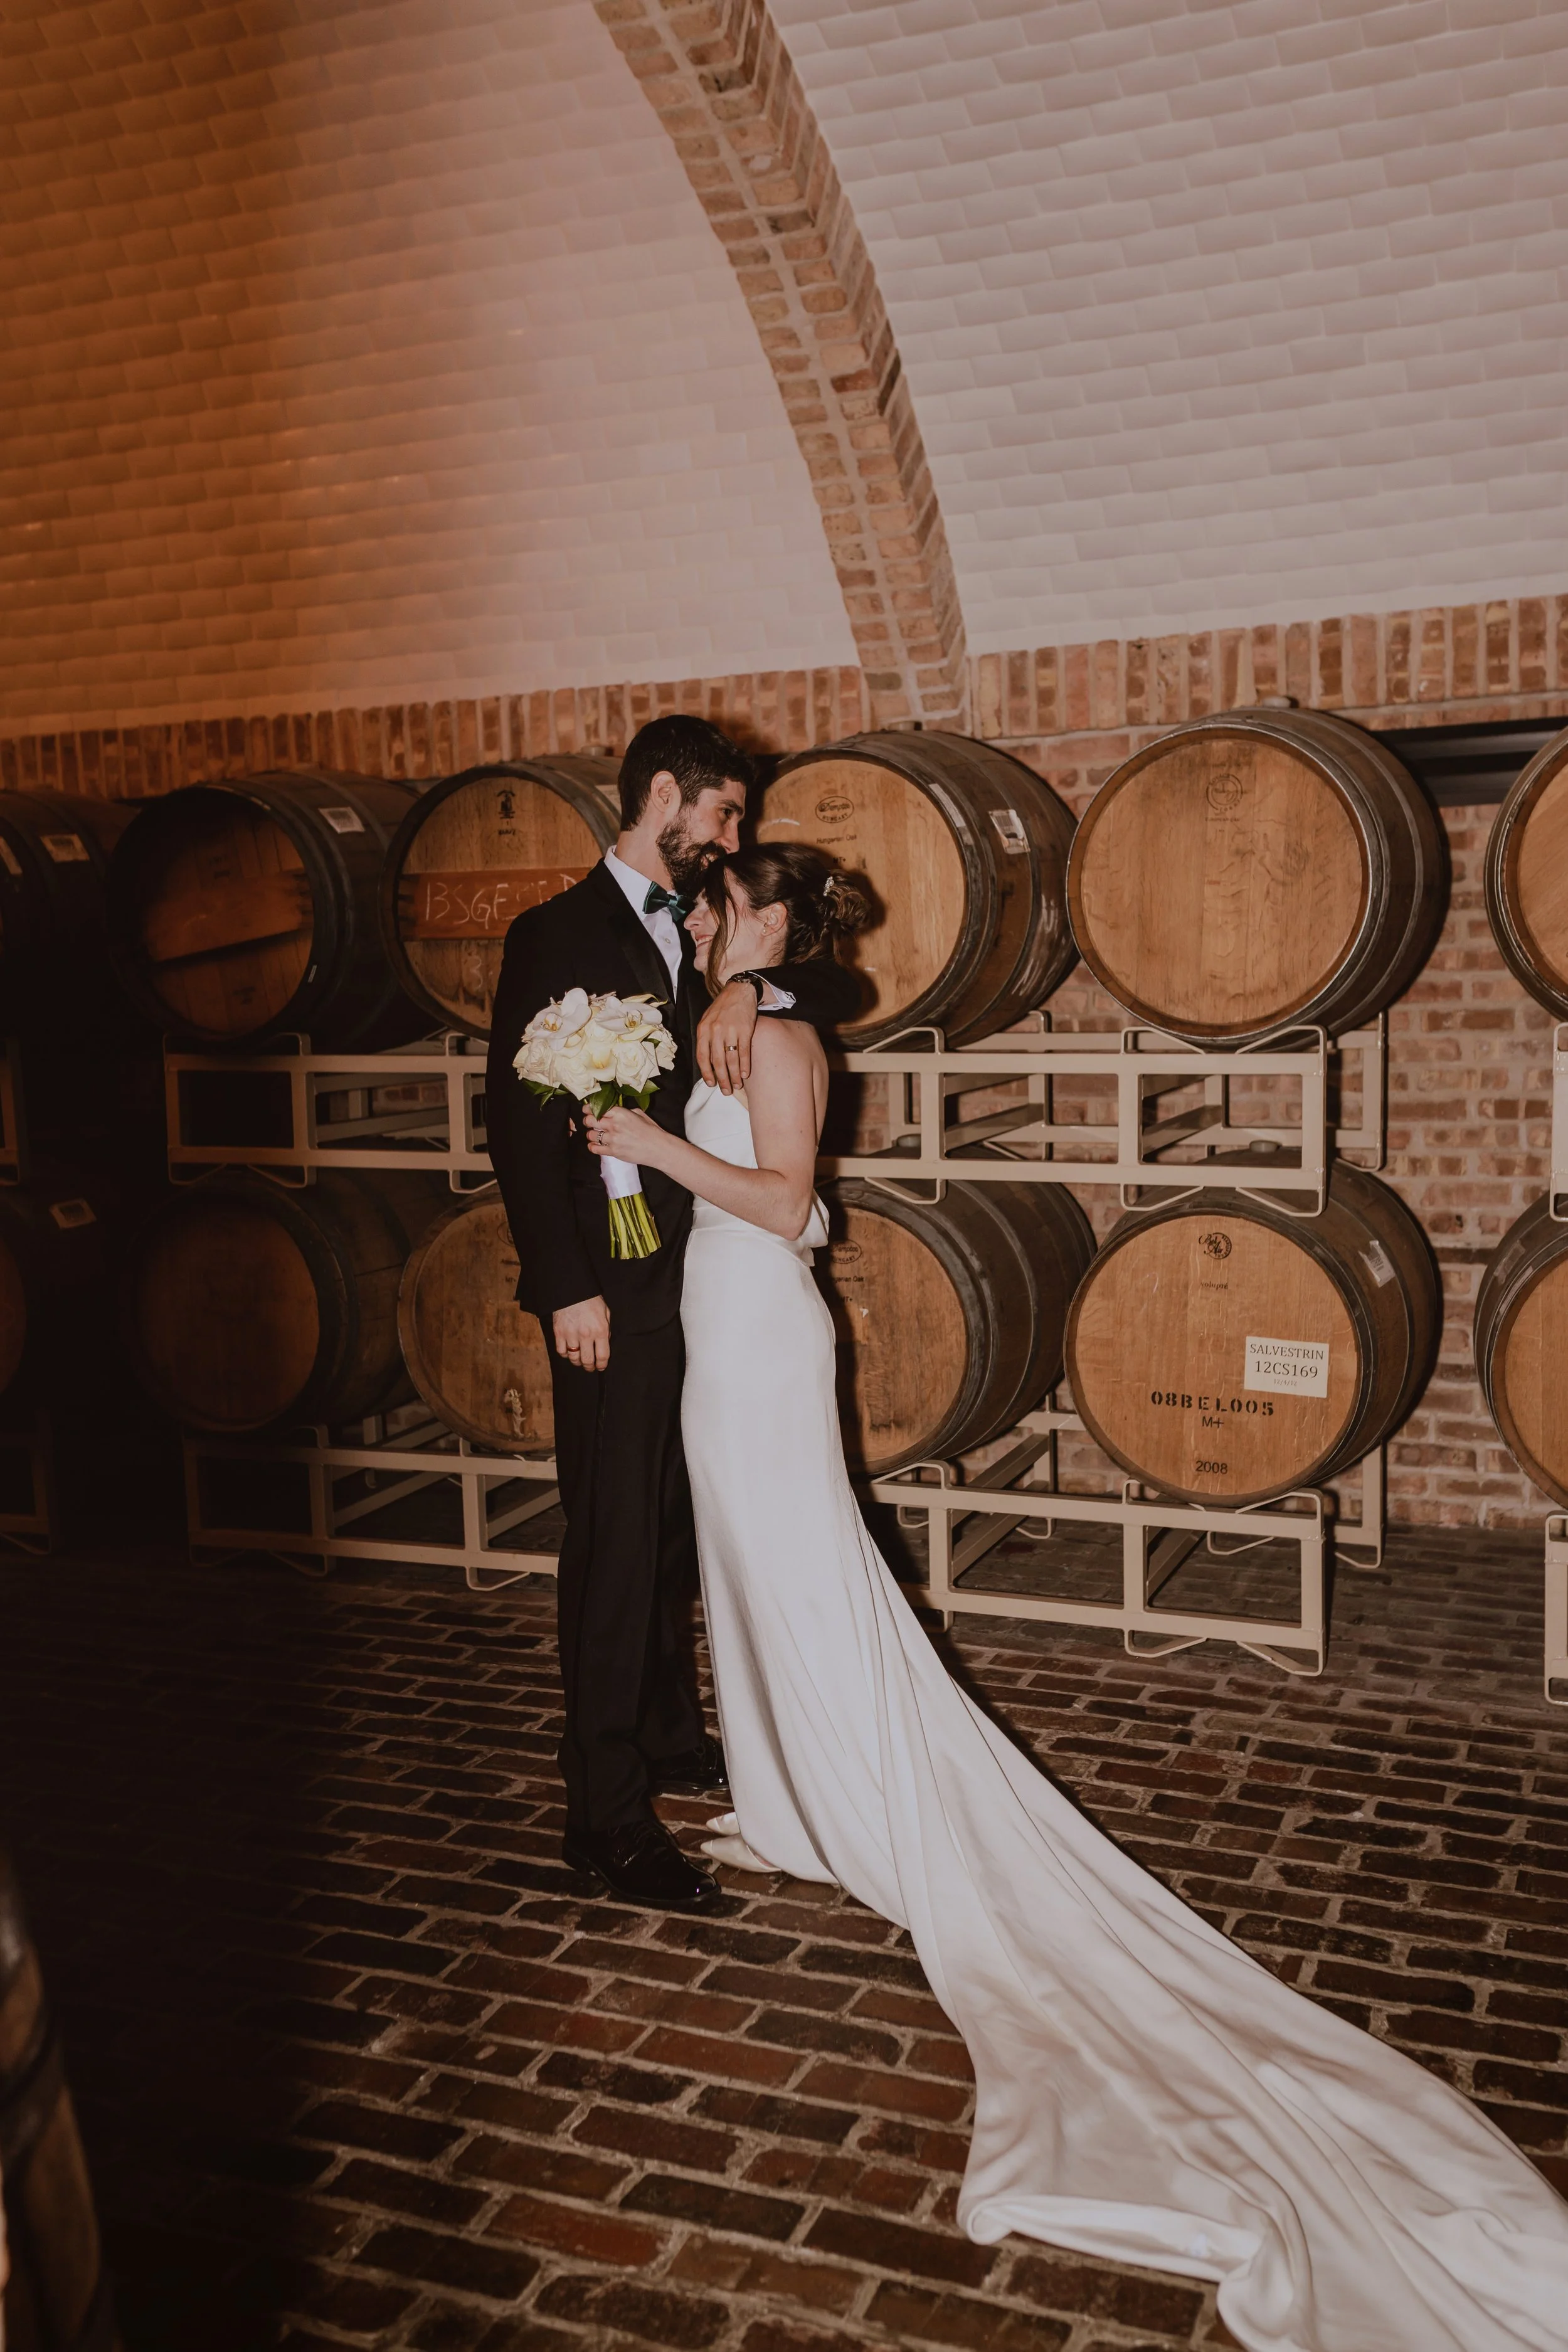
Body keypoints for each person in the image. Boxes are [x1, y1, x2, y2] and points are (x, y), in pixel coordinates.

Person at [586, 843, 1568, 2352]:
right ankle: (793, 1796)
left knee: (800, 1564)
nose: (698, 917)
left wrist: (651, 1147)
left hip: (762, 1320)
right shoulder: (740, 1003)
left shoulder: (778, 1033)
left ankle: (856, 1797)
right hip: (713, 1325)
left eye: (719, 904)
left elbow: (787, 1206)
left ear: (761, 921)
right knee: (748, 1575)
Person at [485, 716, 859, 1912]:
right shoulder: (554, 932)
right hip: (612, 1293)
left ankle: (661, 1730)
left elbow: (835, 974)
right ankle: (602, 1812)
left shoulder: (715, 948)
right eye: (726, 814)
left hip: (700, 1289)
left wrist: (755, 980)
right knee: (611, 1543)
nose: (734, 837)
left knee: (666, 1530)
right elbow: (518, 1129)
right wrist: (566, 1285)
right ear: (666, 796)